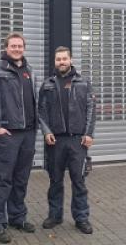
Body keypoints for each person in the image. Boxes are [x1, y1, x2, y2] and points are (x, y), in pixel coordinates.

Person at [0, 32, 38, 243]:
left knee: (21, 179)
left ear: (24, 48)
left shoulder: (30, 71)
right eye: (13, 46)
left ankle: (17, 217)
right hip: (7, 135)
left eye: (20, 46)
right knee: (2, 180)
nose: (17, 49)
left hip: (27, 135)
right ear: (6, 48)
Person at [38, 46, 96, 234]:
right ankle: (55, 216)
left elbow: (91, 110)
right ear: (55, 62)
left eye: (64, 59)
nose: (61, 62)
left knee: (79, 181)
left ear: (70, 60)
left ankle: (81, 218)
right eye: (58, 59)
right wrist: (46, 132)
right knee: (55, 181)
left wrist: (89, 134)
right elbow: (41, 111)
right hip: (55, 142)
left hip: (78, 141)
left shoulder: (83, 83)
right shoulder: (47, 85)